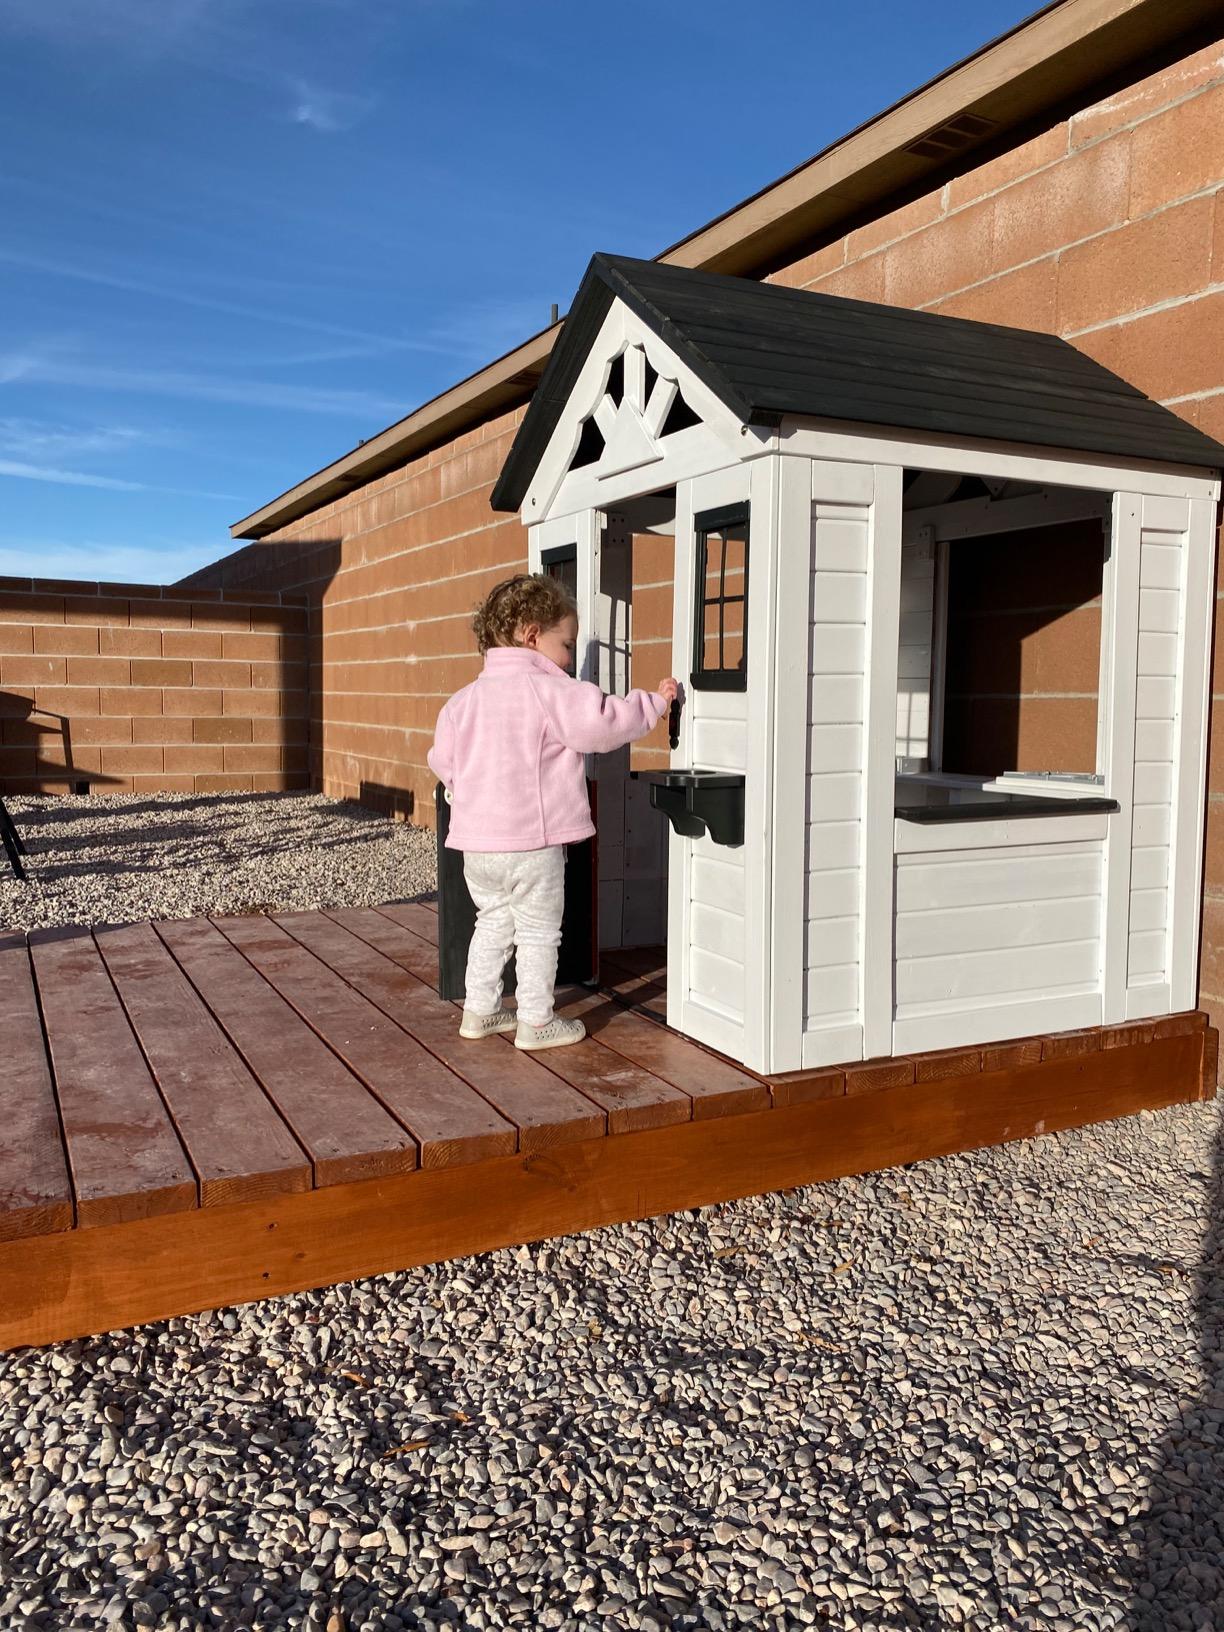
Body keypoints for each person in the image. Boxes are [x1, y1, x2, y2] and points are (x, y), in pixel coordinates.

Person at [428, 573, 679, 1052]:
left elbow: (442, 761)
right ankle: (536, 1021)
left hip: (477, 847)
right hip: (533, 843)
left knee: (493, 923)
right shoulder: (552, 691)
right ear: (532, 636)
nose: (569, 658)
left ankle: (479, 1011)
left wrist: (468, 794)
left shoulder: (461, 702)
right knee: (540, 931)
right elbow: (604, 723)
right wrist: (654, 703)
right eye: (566, 644)